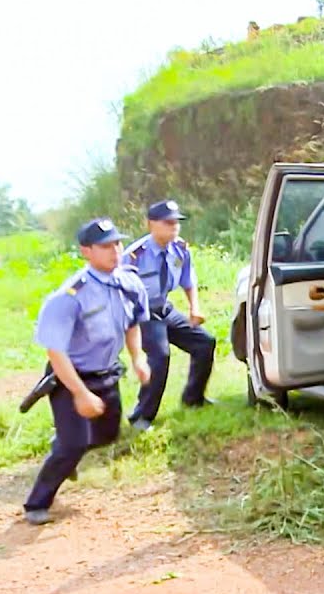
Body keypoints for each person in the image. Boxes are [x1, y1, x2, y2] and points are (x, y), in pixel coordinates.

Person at [23, 218, 150, 525]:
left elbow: (132, 323)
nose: (115, 251)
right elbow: (56, 352)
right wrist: (80, 393)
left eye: (117, 243)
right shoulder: (70, 296)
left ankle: (67, 451)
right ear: (86, 251)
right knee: (73, 443)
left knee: (108, 433)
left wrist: (138, 358)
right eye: (105, 246)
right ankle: (36, 503)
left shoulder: (129, 283)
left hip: (106, 374)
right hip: (70, 377)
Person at [124, 200, 216, 431]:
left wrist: (194, 308)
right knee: (160, 357)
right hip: (143, 313)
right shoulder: (135, 255)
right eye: (168, 223)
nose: (174, 227)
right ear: (151, 224)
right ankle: (142, 416)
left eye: (177, 222)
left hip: (165, 308)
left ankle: (193, 399)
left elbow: (188, 280)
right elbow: (120, 290)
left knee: (204, 343)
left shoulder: (180, 250)